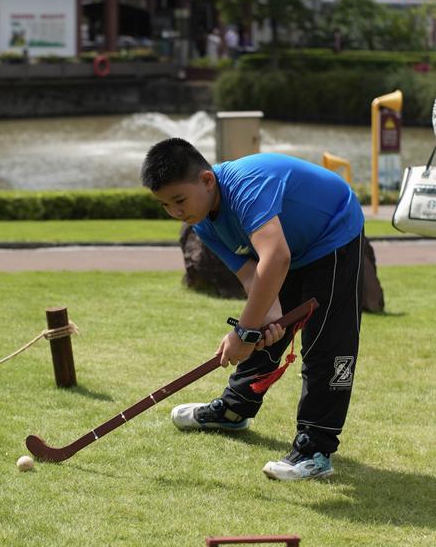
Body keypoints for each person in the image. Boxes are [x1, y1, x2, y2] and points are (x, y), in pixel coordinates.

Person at [141, 138, 364, 481]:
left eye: (179, 200)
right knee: (260, 328)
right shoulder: (202, 221)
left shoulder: (246, 186)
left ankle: (315, 449)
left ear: (206, 180)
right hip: (293, 248)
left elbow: (276, 258)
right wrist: (263, 321)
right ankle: (234, 410)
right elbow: (251, 275)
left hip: (332, 234)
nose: (175, 212)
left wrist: (242, 333)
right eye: (165, 205)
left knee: (326, 348)